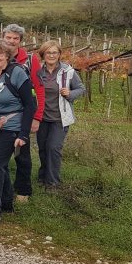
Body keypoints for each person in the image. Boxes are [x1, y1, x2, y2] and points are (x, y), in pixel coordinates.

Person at [0, 38, 36, 226]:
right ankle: (7, 202)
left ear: (7, 55)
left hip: (12, 127)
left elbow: (29, 105)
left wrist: (23, 134)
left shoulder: (17, 73)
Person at [0, 23, 45, 202]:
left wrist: (37, 117)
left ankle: (23, 191)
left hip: (22, 114)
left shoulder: (30, 60)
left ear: (20, 41)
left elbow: (39, 89)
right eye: (8, 37)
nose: (11, 41)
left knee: (22, 153)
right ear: (3, 37)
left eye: (15, 38)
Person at [36, 40, 85, 188]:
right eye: (48, 52)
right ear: (43, 55)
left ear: (59, 55)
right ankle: (43, 176)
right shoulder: (38, 72)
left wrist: (70, 93)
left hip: (60, 118)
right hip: (42, 117)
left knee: (53, 147)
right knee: (43, 148)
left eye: (54, 52)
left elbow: (81, 89)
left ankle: (53, 183)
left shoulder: (68, 72)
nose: (51, 55)